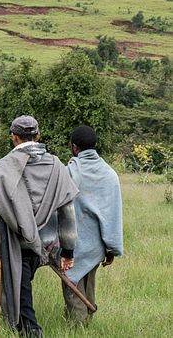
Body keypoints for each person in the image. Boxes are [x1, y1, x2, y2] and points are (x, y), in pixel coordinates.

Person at [0, 115, 78, 337]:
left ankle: (31, 330)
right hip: (46, 245)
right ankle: (23, 325)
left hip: (15, 242)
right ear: (38, 135)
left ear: (13, 138)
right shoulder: (57, 166)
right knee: (24, 282)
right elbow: (68, 213)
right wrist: (68, 251)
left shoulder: (1, 167)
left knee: (19, 284)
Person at [63, 126, 123, 325]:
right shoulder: (110, 174)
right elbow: (113, 215)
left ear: (74, 148)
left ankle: (76, 327)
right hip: (97, 246)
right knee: (88, 285)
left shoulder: (70, 171)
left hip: (73, 245)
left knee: (73, 287)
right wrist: (112, 249)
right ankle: (85, 324)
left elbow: (59, 209)